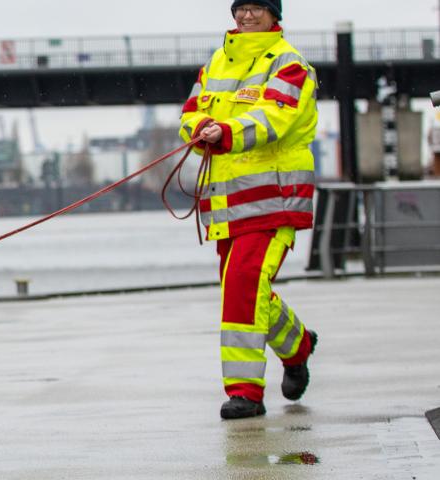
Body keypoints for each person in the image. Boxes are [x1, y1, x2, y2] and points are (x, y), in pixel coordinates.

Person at [178, 0, 319, 419]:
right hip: (226, 204)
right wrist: (199, 128)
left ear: (275, 15)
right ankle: (298, 346)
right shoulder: (216, 63)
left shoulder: (290, 65)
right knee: (245, 289)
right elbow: (190, 114)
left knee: (242, 284)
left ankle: (245, 393)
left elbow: (274, 117)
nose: (247, 16)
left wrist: (225, 131)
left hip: (274, 199)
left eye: (257, 8)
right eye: (241, 8)